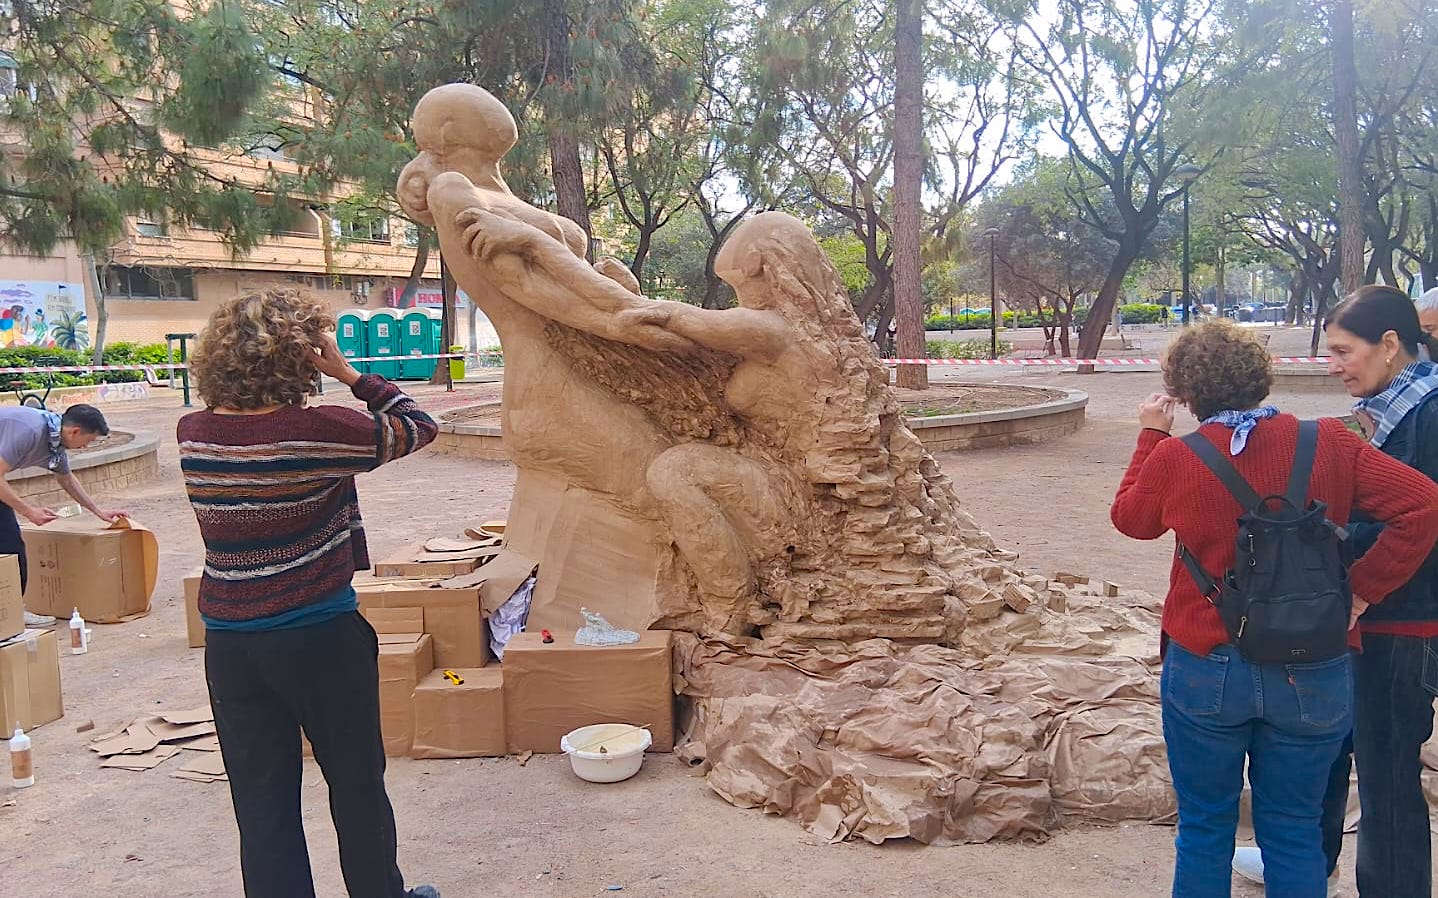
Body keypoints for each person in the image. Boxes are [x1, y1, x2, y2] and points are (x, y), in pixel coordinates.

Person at [1111, 319, 1438, 898]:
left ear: (1185, 391)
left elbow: (1132, 520)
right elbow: (1422, 505)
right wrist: (1362, 589)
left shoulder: (1177, 459)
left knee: (1205, 827)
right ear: (1259, 377)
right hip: (1313, 661)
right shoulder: (1330, 443)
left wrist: (1150, 437)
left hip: (1207, 660)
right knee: (1292, 829)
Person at [178, 288, 440, 898]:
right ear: (302, 355)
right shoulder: (320, 429)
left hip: (231, 644)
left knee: (261, 800)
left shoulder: (195, 432)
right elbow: (417, 426)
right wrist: (349, 373)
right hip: (319, 637)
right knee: (355, 787)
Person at [0, 402, 127, 625]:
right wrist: (29, 512)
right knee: (11, 545)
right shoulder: (30, 431)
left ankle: (9, 610)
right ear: (75, 431)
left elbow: (66, 479)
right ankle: (12, 613)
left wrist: (98, 512)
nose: (86, 447)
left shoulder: (55, 441)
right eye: (88, 441)